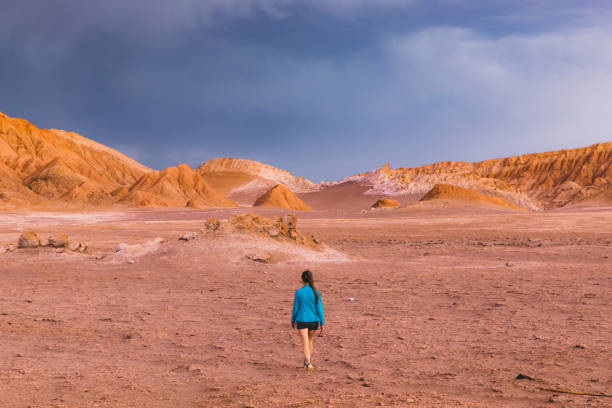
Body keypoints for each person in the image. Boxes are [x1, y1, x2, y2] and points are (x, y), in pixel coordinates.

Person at [291, 270, 324, 372]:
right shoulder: (315, 291)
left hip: (302, 320)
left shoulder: (299, 292)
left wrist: (293, 320)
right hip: (314, 321)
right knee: (309, 341)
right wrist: (322, 322)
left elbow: (295, 308)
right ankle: (307, 361)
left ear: (302, 279)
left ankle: (308, 363)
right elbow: (320, 308)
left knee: (305, 342)